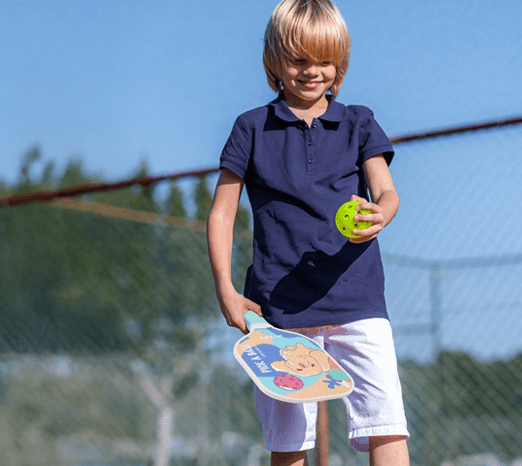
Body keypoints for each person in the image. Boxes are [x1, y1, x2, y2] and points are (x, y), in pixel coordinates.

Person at [206, 0, 409, 464]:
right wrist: (226, 291)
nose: (312, 71)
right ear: (275, 60)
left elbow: (388, 194)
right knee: (289, 443)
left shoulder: (359, 121)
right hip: (279, 313)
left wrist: (380, 214)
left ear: (340, 63)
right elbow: (221, 214)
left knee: (386, 427)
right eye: (299, 59)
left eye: (324, 60)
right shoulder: (250, 128)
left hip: (358, 302)